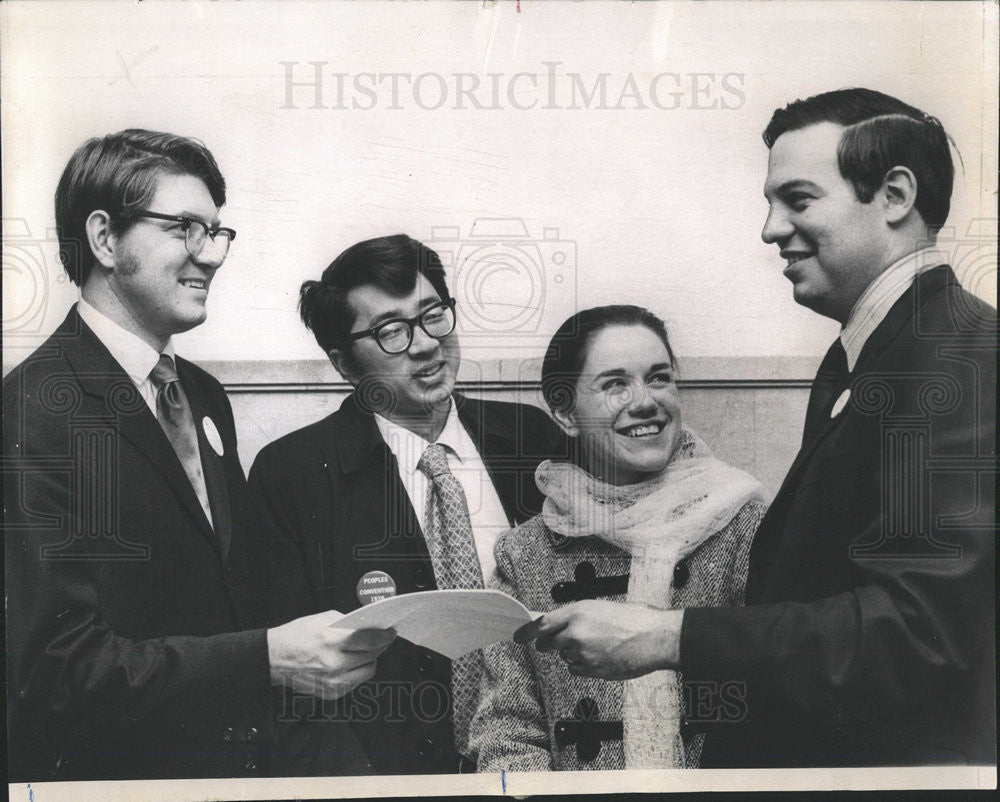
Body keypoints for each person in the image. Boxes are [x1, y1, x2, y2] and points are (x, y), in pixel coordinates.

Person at [515, 88, 996, 767]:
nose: (770, 229)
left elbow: (922, 637)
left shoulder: (961, 358)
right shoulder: (872, 354)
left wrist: (668, 637)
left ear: (894, 196)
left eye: (798, 200)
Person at [3, 130, 395, 782]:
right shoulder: (33, 413)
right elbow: (52, 671)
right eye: (184, 227)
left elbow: (227, 596)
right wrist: (266, 659)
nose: (210, 255)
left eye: (217, 232)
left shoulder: (203, 397)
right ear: (104, 239)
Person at [248, 234, 566, 774]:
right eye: (390, 331)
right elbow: (289, 685)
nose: (424, 344)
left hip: (538, 765)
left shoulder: (530, 437)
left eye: (433, 315)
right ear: (344, 364)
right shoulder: (292, 474)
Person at [470, 305, 767, 771]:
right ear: (566, 413)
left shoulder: (745, 525)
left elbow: (786, 695)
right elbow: (506, 731)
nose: (645, 401)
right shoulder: (523, 556)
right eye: (614, 384)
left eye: (659, 378)